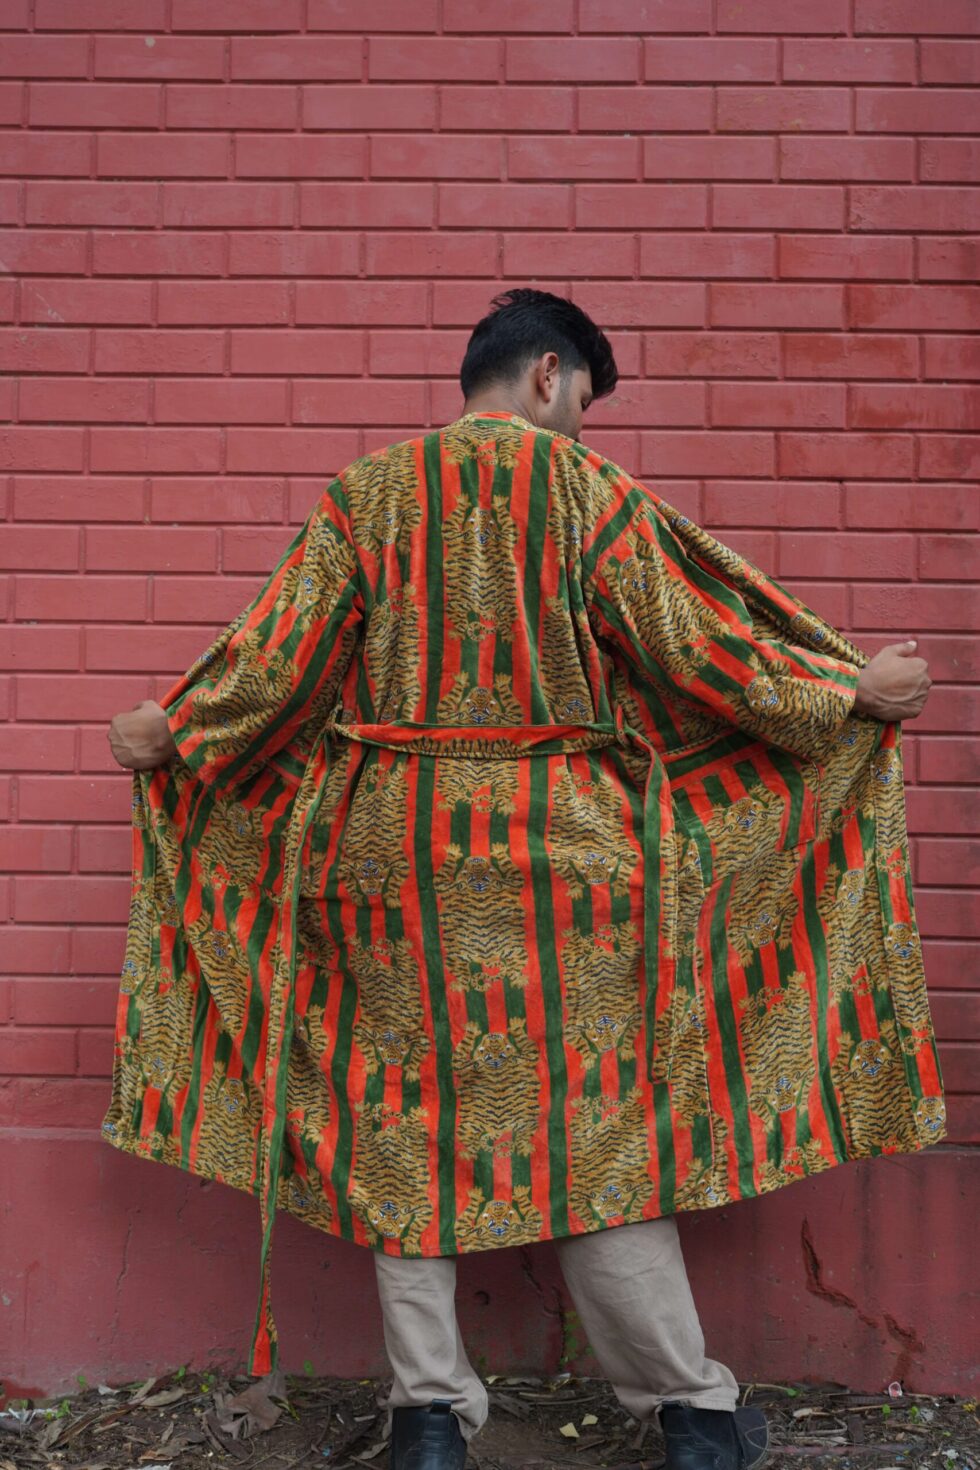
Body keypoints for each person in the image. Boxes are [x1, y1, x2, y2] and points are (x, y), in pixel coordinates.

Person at [106, 289, 942, 1470]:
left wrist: (172, 732)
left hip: (392, 865)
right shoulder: (587, 493)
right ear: (548, 376)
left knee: (400, 1124)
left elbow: (274, 666)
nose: (582, 425)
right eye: (583, 401)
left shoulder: (367, 496)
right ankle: (692, 1416)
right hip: (570, 871)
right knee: (598, 1128)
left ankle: (429, 1419)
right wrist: (844, 692)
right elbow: (700, 649)